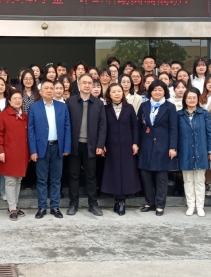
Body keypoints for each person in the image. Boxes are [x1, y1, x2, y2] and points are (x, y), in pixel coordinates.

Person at [28, 79, 71, 219]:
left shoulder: (62, 106)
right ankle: (42, 207)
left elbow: (67, 127)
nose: (49, 90)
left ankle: (55, 207)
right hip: (41, 148)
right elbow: (30, 130)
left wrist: (67, 147)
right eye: (46, 88)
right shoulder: (34, 107)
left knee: (56, 179)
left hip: (58, 147)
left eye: (51, 88)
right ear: (40, 91)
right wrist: (33, 150)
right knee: (41, 179)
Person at [65, 74, 106, 216]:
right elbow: (66, 124)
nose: (87, 85)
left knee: (91, 176)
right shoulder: (70, 102)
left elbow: (103, 126)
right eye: (84, 83)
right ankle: (73, 204)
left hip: (91, 146)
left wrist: (100, 144)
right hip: (74, 145)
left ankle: (93, 204)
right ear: (78, 85)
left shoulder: (98, 103)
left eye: (90, 83)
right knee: (74, 175)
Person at [137, 80, 178, 216]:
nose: (157, 92)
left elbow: (173, 129)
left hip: (163, 146)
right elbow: (138, 126)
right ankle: (150, 202)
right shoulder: (144, 106)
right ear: (150, 92)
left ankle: (160, 205)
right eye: (154, 90)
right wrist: (136, 143)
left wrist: (173, 147)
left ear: (164, 91)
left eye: (160, 90)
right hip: (146, 145)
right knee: (146, 175)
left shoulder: (170, 107)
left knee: (161, 178)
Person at [101, 83, 141, 215]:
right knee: (113, 172)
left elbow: (135, 126)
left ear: (123, 93)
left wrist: (135, 143)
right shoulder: (105, 109)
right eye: (113, 91)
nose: (117, 94)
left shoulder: (129, 108)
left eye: (119, 91)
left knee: (126, 172)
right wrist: (102, 144)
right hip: (111, 145)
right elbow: (102, 127)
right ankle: (116, 200)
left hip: (126, 145)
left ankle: (122, 201)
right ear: (109, 94)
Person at [177, 89, 211, 217]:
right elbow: (175, 134)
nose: (192, 100)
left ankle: (200, 206)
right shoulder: (179, 115)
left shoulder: (204, 114)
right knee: (188, 180)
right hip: (185, 151)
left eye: (194, 97)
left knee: (199, 180)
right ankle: (190, 206)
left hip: (201, 151)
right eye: (189, 98)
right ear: (185, 99)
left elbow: (210, 133)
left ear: (198, 99)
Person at [0, 91, 30, 221]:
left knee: (18, 180)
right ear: (9, 101)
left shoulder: (25, 115)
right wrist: (0, 150)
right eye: (15, 98)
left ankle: (14, 205)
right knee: (10, 181)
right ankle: (12, 208)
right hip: (8, 152)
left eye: (20, 98)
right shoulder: (3, 115)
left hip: (22, 152)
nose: (18, 100)